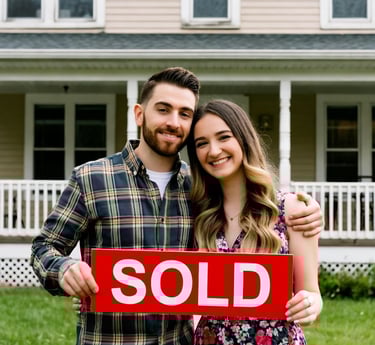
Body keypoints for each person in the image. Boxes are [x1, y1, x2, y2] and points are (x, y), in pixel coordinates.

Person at [30, 67, 322, 345]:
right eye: (163, 109)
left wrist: (309, 212)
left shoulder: (197, 191)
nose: (173, 121)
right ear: (139, 114)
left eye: (185, 114)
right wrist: (64, 267)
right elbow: (44, 249)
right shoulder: (91, 179)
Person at [186, 99, 322, 345]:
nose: (213, 150)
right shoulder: (197, 215)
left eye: (224, 137)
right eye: (202, 143)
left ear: (244, 139)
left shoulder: (290, 209)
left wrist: (310, 305)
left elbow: (311, 292)